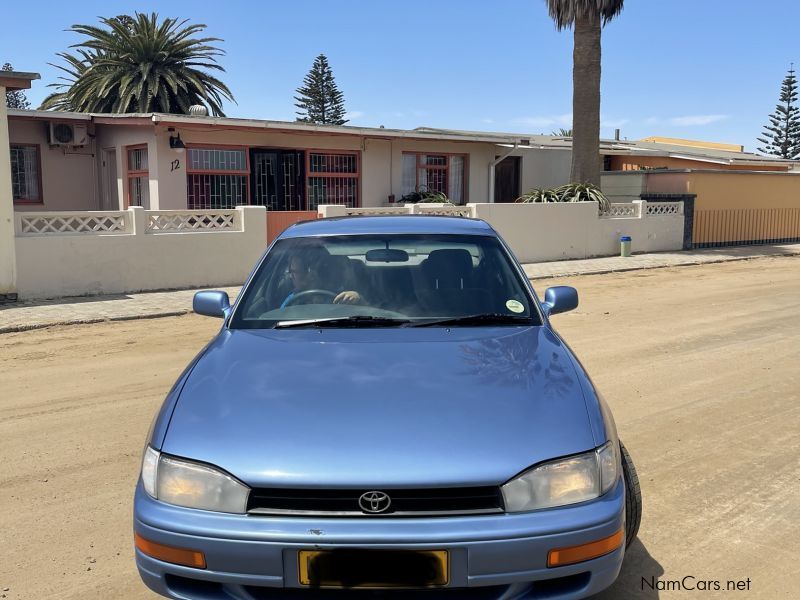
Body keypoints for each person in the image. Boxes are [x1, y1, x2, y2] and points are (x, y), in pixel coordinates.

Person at [280, 253, 363, 308]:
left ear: (310, 272)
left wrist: (360, 301)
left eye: (293, 272)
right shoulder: (292, 300)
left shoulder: (342, 296)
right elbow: (278, 321)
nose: (291, 276)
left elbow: (371, 314)